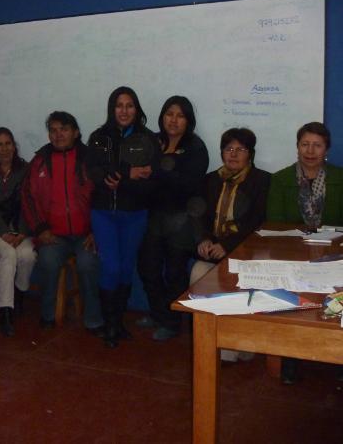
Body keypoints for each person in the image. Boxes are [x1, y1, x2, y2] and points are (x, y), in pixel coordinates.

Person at [267, 122, 343, 384]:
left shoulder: (340, 178)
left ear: (326, 149)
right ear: (297, 147)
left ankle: (338, 357)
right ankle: (290, 358)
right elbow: (275, 223)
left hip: (334, 254)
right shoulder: (280, 179)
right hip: (293, 253)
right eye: (305, 144)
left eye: (317, 145)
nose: (310, 151)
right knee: (292, 297)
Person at [86, 86, 161, 347]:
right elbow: (96, 172)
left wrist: (122, 179)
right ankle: (109, 325)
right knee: (111, 267)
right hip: (103, 213)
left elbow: (151, 179)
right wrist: (129, 172)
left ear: (136, 109)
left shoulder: (148, 139)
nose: (124, 111)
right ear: (112, 109)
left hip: (135, 213)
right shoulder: (98, 137)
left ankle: (118, 322)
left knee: (127, 268)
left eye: (129, 105)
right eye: (119, 105)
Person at [191, 128, 270, 362]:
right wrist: (204, 239)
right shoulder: (210, 180)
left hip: (246, 253)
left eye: (240, 149)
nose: (233, 154)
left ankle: (241, 346)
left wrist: (227, 245)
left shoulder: (262, 181)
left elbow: (256, 221)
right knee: (198, 273)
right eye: (228, 149)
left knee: (239, 286)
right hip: (213, 251)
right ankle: (211, 346)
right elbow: (198, 215)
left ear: (250, 154)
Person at [22, 111, 103, 334]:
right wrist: (40, 229)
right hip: (53, 235)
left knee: (88, 264)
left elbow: (103, 197)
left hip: (86, 234)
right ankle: (47, 315)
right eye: (53, 130)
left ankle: (93, 320)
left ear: (75, 133)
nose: (58, 135)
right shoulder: (39, 162)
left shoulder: (90, 159)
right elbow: (27, 197)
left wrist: (96, 231)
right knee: (48, 262)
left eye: (64, 129)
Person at [136, 96, 209, 341]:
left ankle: (171, 322)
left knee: (175, 273)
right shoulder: (152, 142)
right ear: (162, 117)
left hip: (183, 219)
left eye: (180, 116)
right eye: (169, 114)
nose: (173, 120)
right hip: (155, 216)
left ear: (188, 120)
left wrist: (158, 172)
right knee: (148, 267)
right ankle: (158, 313)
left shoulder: (195, 147)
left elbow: (189, 184)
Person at [0, 127, 37, 336]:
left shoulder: (25, 170)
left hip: (21, 230)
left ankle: (19, 292)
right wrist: (3, 232)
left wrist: (22, 232)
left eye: (8, 143)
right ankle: (5, 312)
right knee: (8, 254)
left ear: (14, 146)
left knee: (28, 255)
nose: (4, 149)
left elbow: (30, 203)